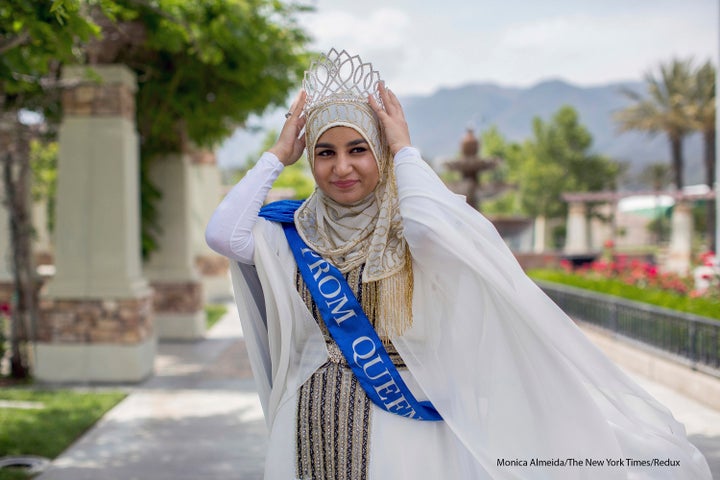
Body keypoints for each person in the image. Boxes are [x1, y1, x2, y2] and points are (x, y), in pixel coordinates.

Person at [206, 49, 711, 480]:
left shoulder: (413, 227)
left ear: (379, 151)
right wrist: (278, 153)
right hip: (310, 420)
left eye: (359, 149)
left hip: (404, 420)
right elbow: (223, 233)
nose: (342, 167)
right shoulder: (291, 228)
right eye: (325, 153)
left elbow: (430, 226)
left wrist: (404, 148)